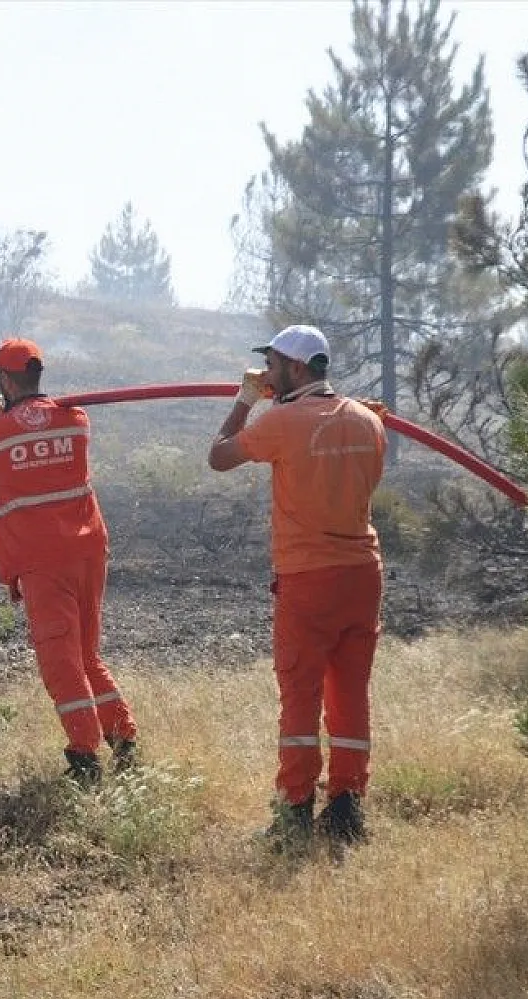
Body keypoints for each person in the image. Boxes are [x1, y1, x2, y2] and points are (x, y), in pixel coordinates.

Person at [207, 324, 387, 851]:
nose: (267, 373)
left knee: (300, 692)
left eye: (273, 365)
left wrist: (246, 400)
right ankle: (347, 804)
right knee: (350, 691)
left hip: (309, 578)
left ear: (297, 368)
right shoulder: (368, 421)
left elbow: (219, 456)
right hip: (363, 574)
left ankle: (294, 809)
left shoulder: (281, 422)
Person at [0, 338, 137, 785]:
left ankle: (85, 757)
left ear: (5, 380)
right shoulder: (76, 419)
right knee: (87, 656)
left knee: (61, 661)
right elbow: (37, 436)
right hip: (88, 551)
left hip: (43, 560)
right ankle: (124, 742)